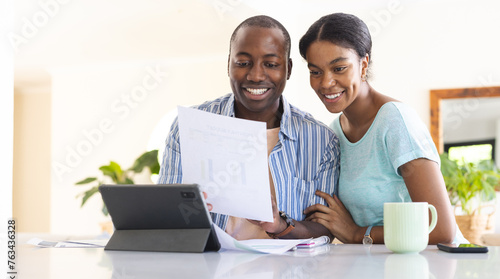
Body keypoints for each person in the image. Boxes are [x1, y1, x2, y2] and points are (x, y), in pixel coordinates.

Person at [158, 15, 340, 240]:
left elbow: (325, 230)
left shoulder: (321, 140)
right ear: (228, 64)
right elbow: (165, 219)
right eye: (243, 63)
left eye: (271, 64)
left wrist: (280, 225)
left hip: (288, 273)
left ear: (289, 69)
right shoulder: (188, 127)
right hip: (211, 270)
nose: (255, 76)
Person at [299, 13, 466, 244]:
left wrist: (359, 233)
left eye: (339, 68)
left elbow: (440, 229)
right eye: (315, 72)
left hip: (434, 269)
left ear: (363, 64)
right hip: (383, 270)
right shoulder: (334, 133)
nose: (326, 82)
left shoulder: (395, 120)